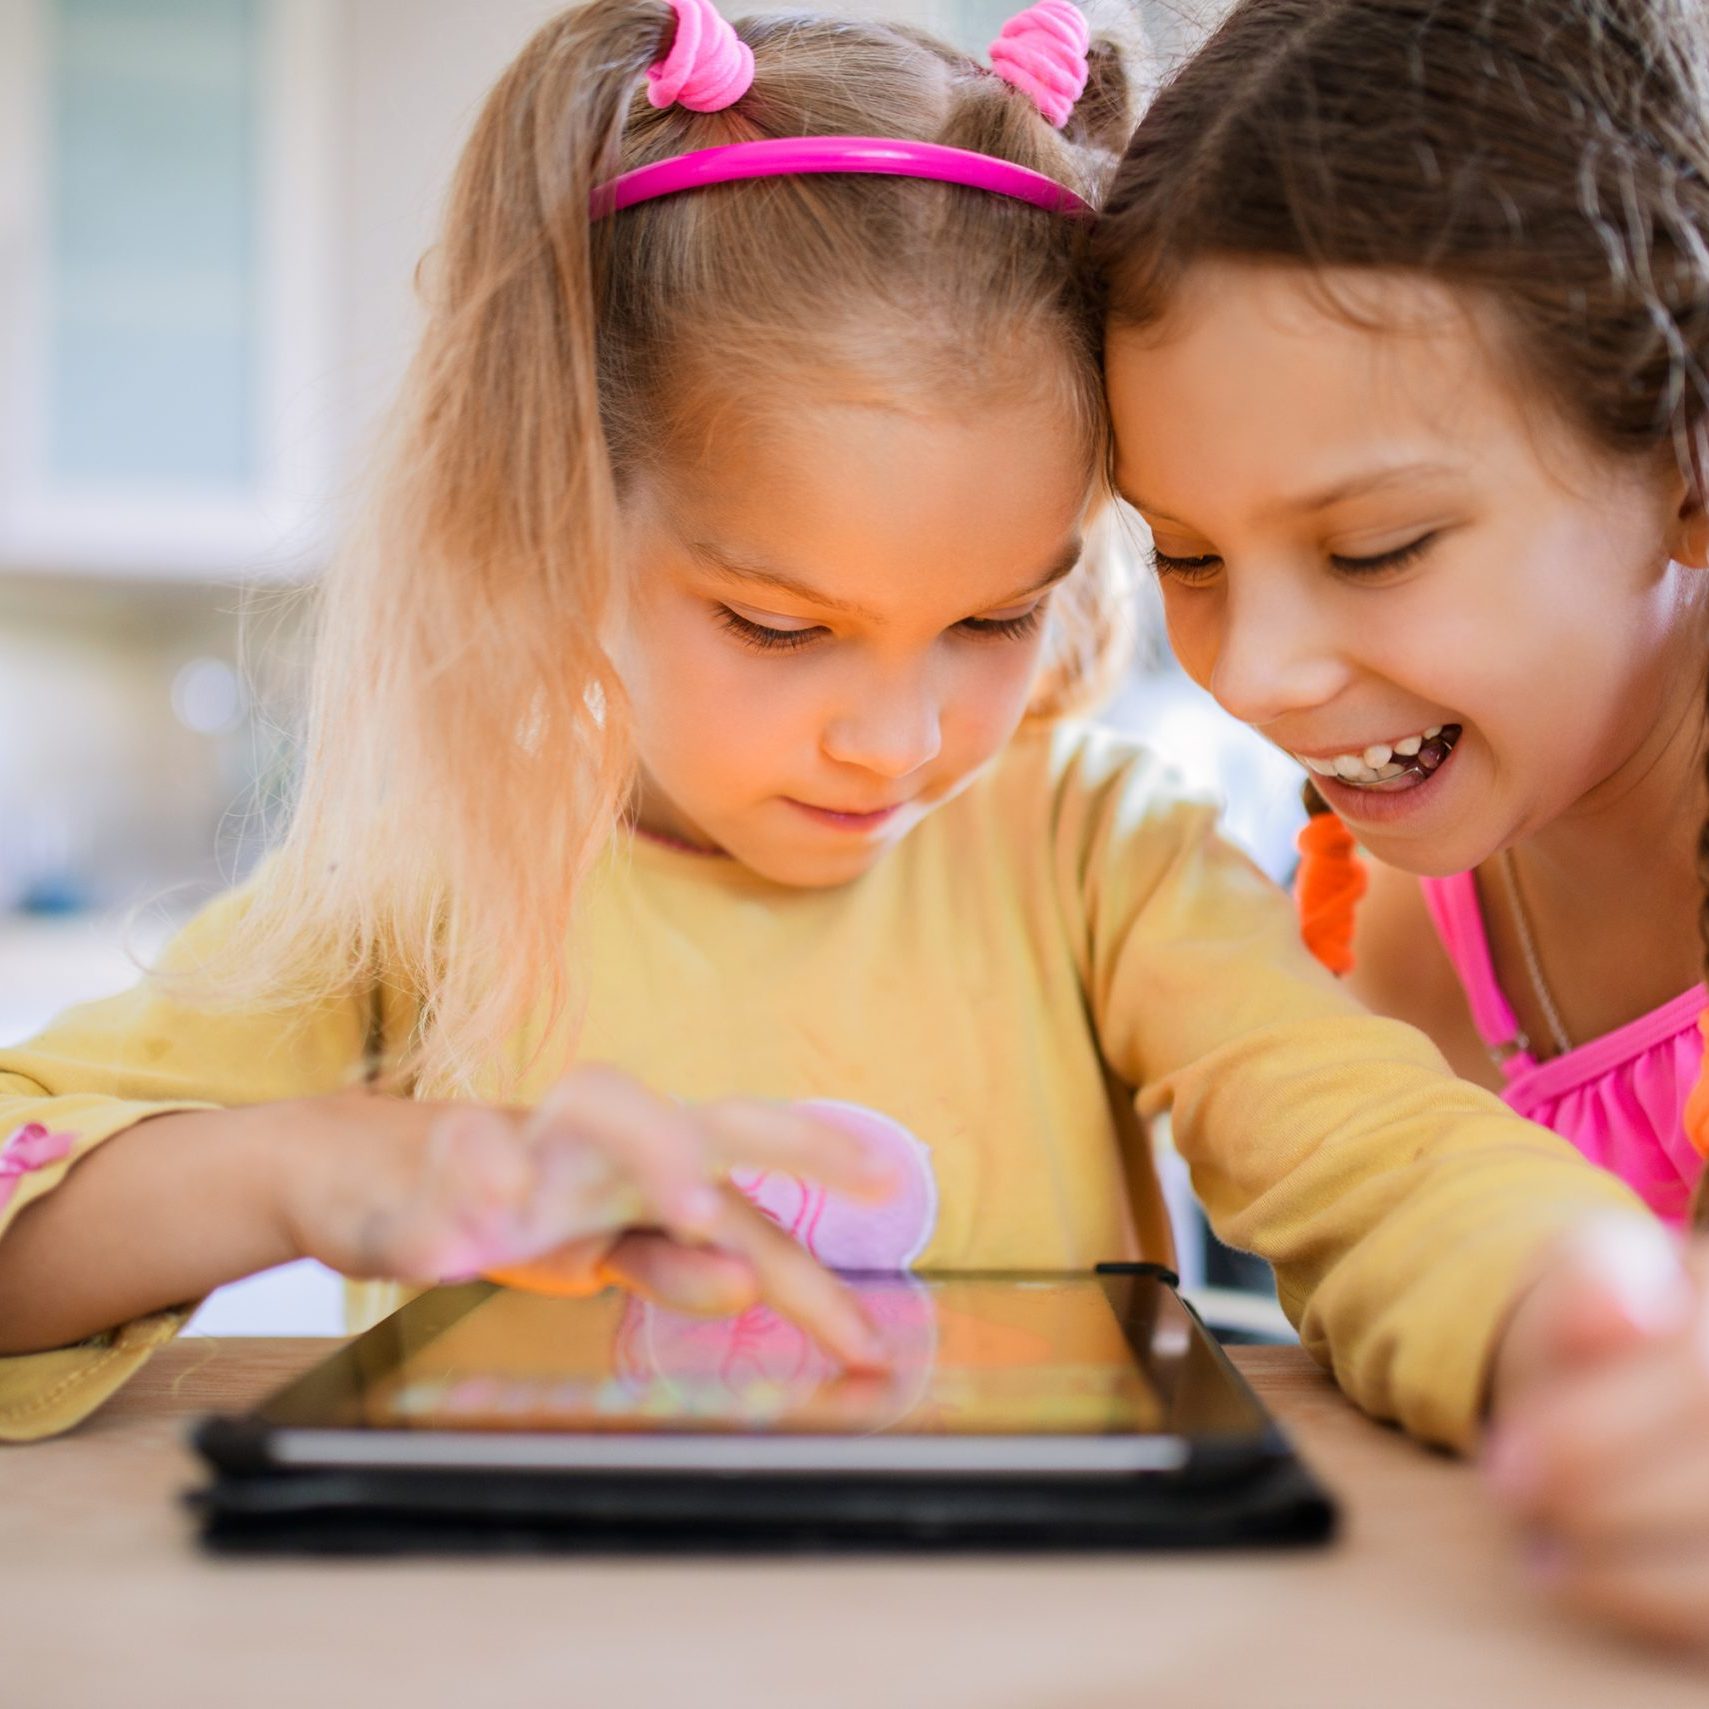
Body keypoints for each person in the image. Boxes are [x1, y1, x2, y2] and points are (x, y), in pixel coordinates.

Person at [0, 0, 1664, 1545]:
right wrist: (316, 1169)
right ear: (568, 523)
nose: (901, 737)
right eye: (777, 624)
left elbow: (1378, 1156)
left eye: (992, 615)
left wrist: (1592, 1330)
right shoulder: (436, 864)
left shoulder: (1097, 852)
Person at [1098, 0, 1709, 1643]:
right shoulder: (1394, 904)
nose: (1264, 672)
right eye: (1188, 555)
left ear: (1681, 463)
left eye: (1373, 547)